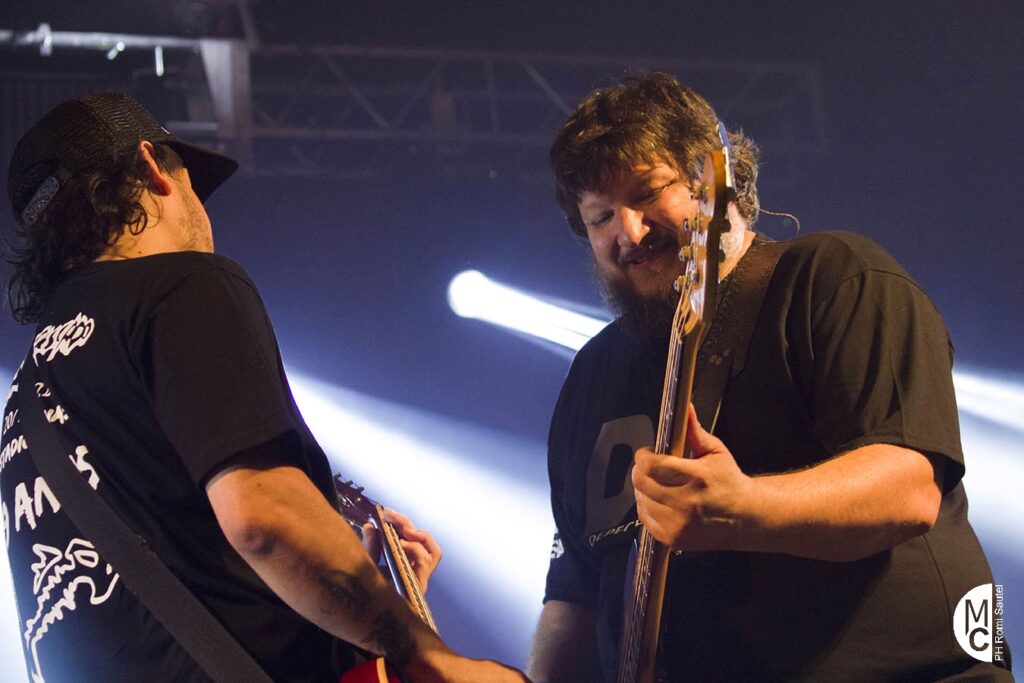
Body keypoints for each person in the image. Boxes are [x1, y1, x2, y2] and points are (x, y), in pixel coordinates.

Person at [0, 92, 524, 682]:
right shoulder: (184, 284)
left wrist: (358, 594)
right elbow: (265, 518)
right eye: (194, 183)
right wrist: (431, 657)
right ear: (152, 168)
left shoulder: (30, 388)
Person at [526, 72, 1012, 682]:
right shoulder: (593, 374)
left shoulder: (834, 277)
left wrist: (743, 507)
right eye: (601, 217)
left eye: (648, 193)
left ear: (716, 180)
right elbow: (574, 594)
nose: (629, 232)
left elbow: (909, 489)